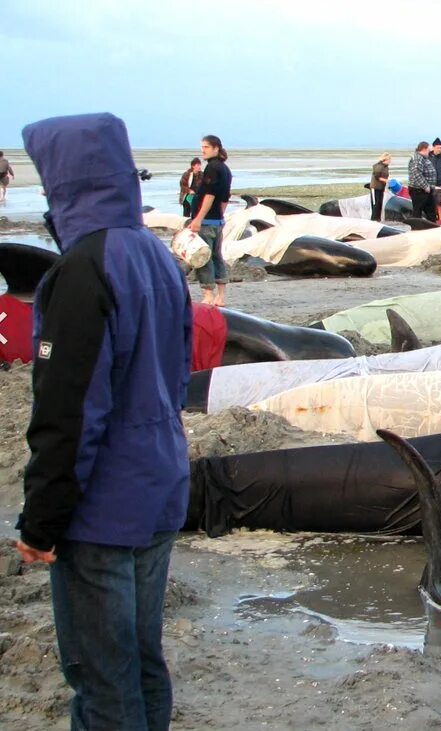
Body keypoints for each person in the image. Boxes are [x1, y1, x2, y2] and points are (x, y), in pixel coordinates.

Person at [17, 111, 193, 731]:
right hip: (162, 482)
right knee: (143, 659)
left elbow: (68, 411)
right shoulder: (158, 255)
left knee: (102, 674)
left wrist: (41, 521)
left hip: (104, 506)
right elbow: (177, 377)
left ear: (66, 184)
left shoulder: (82, 269)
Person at [189, 134, 232, 306]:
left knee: (203, 257)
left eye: (206, 147)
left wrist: (198, 219)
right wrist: (220, 217)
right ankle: (220, 296)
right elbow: (225, 198)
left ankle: (208, 294)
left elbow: (209, 195)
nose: (202, 151)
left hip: (207, 221)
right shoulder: (225, 169)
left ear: (216, 148)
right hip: (217, 221)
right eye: (202, 147)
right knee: (217, 256)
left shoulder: (212, 168)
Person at [408, 141, 438, 222]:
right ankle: (417, 229)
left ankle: (432, 228)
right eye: (428, 149)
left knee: (431, 211)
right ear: (424, 149)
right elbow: (416, 173)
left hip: (426, 191)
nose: (429, 151)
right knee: (417, 211)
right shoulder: (418, 158)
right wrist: (425, 186)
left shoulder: (423, 158)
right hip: (419, 190)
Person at [369, 152, 390, 222]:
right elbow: (376, 176)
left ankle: (378, 219)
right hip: (375, 187)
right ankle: (373, 219)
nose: (390, 161)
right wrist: (385, 180)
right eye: (389, 160)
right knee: (376, 204)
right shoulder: (379, 166)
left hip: (381, 188)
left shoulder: (386, 167)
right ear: (385, 159)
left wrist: (385, 187)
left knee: (380, 203)